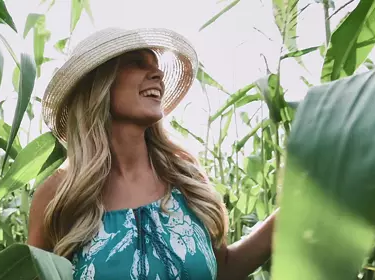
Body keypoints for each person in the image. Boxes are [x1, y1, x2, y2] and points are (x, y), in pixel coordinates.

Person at [27, 27, 277, 280]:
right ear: (100, 83)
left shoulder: (184, 176)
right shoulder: (59, 195)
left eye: (156, 66)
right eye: (137, 63)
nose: (157, 74)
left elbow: (223, 269)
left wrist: (290, 209)